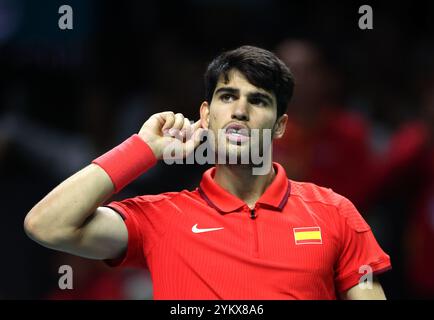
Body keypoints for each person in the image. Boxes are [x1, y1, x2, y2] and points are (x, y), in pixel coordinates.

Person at [24, 45, 391, 300]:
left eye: (258, 100)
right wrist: (142, 149)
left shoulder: (334, 212)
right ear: (206, 115)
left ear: (280, 126)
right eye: (227, 97)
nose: (240, 111)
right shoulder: (162, 218)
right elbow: (47, 224)